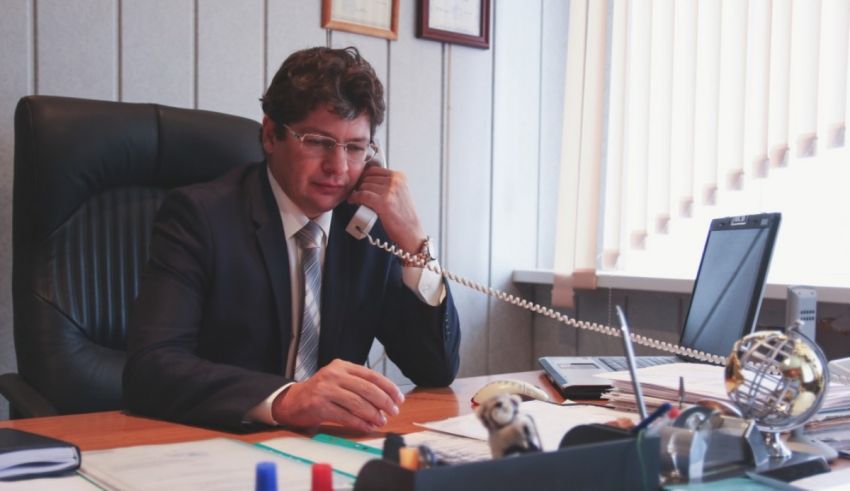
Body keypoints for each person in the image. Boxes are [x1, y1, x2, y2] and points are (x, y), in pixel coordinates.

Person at [123, 46, 461, 432]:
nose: (338, 167)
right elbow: (151, 368)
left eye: (355, 148)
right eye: (317, 141)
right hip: (220, 440)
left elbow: (435, 368)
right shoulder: (200, 217)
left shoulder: (369, 226)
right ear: (270, 135)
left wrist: (416, 244)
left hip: (329, 450)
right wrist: (284, 398)